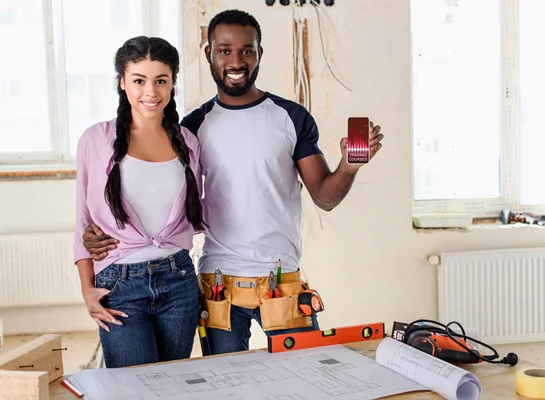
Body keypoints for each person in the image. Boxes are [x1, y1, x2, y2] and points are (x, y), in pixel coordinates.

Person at [81, 9, 384, 356]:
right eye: (225, 50)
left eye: (247, 50)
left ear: (259, 54)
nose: (236, 60)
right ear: (209, 53)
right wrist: (101, 232)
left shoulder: (291, 117)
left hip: (281, 280)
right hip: (218, 284)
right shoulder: (192, 129)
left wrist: (348, 166)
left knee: (305, 373)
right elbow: (158, 195)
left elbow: (325, 197)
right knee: (225, 384)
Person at [73, 36, 206, 368]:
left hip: (179, 281)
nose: (151, 91)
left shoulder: (188, 142)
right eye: (139, 80)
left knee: (174, 384)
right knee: (133, 386)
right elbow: (82, 221)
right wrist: (87, 289)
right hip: (119, 285)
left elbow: (201, 209)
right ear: (122, 82)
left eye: (161, 80)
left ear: (173, 83)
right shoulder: (96, 140)